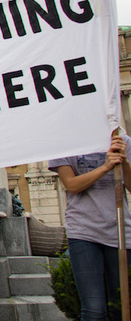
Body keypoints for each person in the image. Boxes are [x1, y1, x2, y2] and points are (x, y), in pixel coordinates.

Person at [49, 130, 131, 321]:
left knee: (122, 306)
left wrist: (124, 161)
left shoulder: (121, 139)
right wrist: (106, 166)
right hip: (84, 232)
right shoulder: (63, 142)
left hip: (119, 231)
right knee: (94, 310)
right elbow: (72, 185)